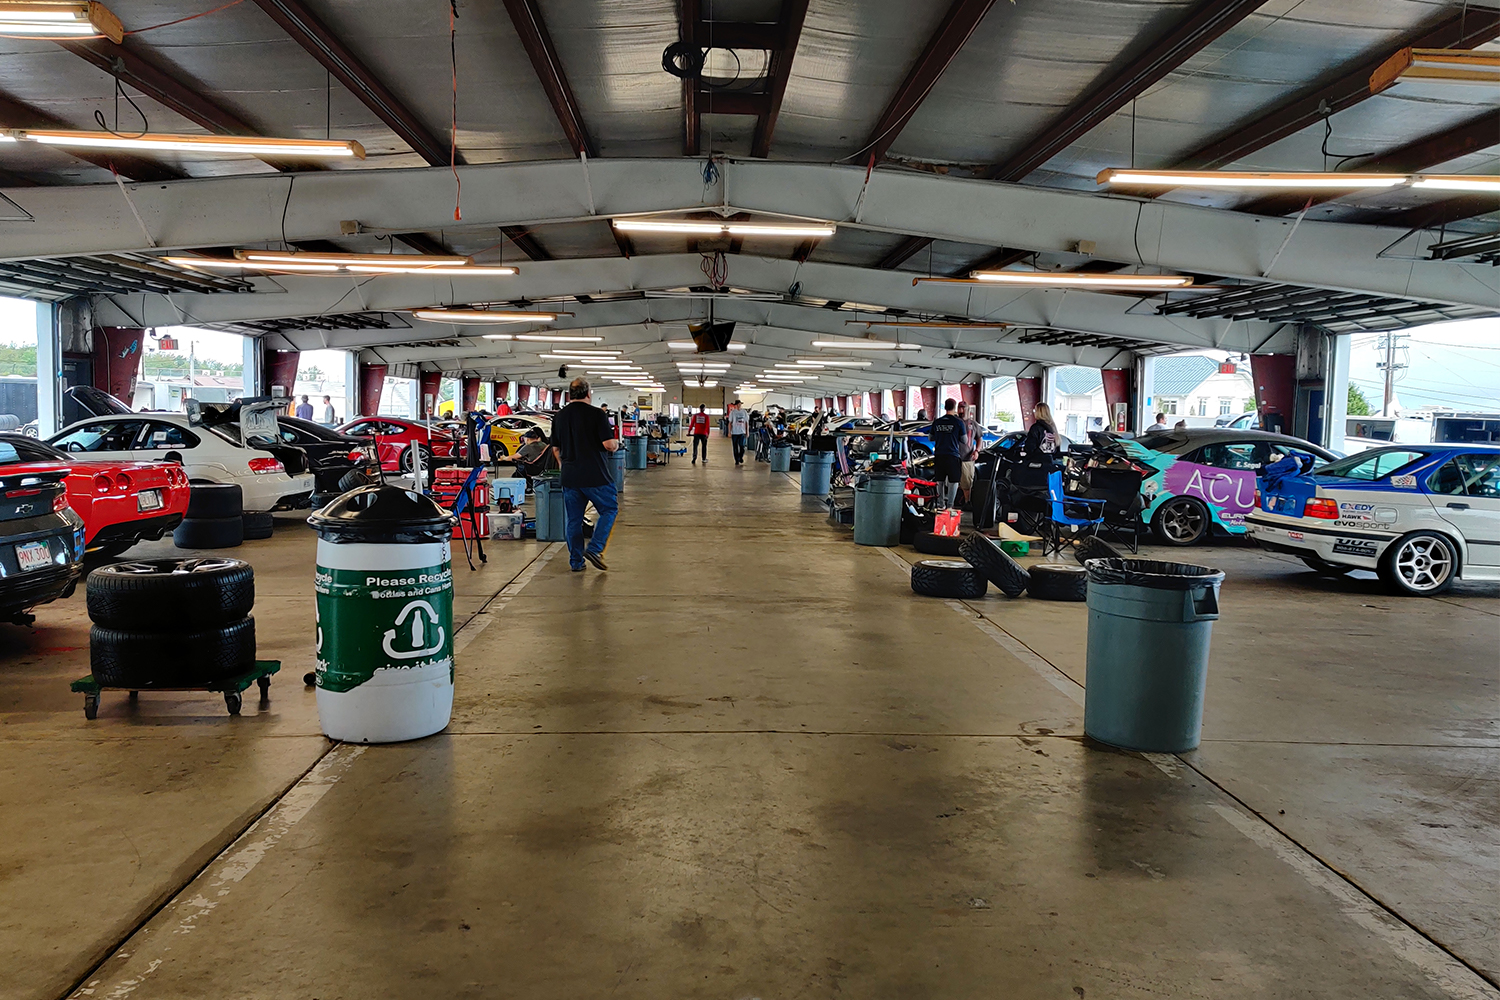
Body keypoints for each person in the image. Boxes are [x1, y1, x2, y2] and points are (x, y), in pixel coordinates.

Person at [550, 378, 619, 572]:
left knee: (573, 520)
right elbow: (608, 444)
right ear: (588, 393)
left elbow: (555, 448)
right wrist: (616, 444)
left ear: (570, 394)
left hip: (570, 476)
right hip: (595, 475)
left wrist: (565, 466)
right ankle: (595, 549)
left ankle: (576, 562)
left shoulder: (559, 416)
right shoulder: (597, 414)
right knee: (609, 509)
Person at [929, 398, 966, 509]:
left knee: (939, 481)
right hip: (953, 455)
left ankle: (941, 505)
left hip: (939, 455)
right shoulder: (958, 422)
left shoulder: (937, 422)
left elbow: (930, 437)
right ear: (954, 407)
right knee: (953, 481)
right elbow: (964, 440)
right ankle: (950, 506)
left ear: (945, 407)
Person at [957, 401, 981, 504]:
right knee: (953, 483)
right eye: (959, 408)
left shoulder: (973, 424)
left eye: (963, 408)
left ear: (968, 409)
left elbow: (979, 438)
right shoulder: (955, 422)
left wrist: (977, 451)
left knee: (967, 483)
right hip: (954, 457)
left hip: (967, 458)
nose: (961, 410)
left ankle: (967, 502)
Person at [728, 399, 749, 465]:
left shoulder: (744, 412)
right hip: (734, 432)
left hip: (742, 432)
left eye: (740, 404)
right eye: (738, 404)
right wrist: (729, 432)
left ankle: (740, 457)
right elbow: (730, 423)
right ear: (736, 405)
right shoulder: (733, 412)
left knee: (742, 446)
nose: (739, 406)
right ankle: (736, 460)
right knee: (735, 447)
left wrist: (747, 431)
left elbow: (746, 422)